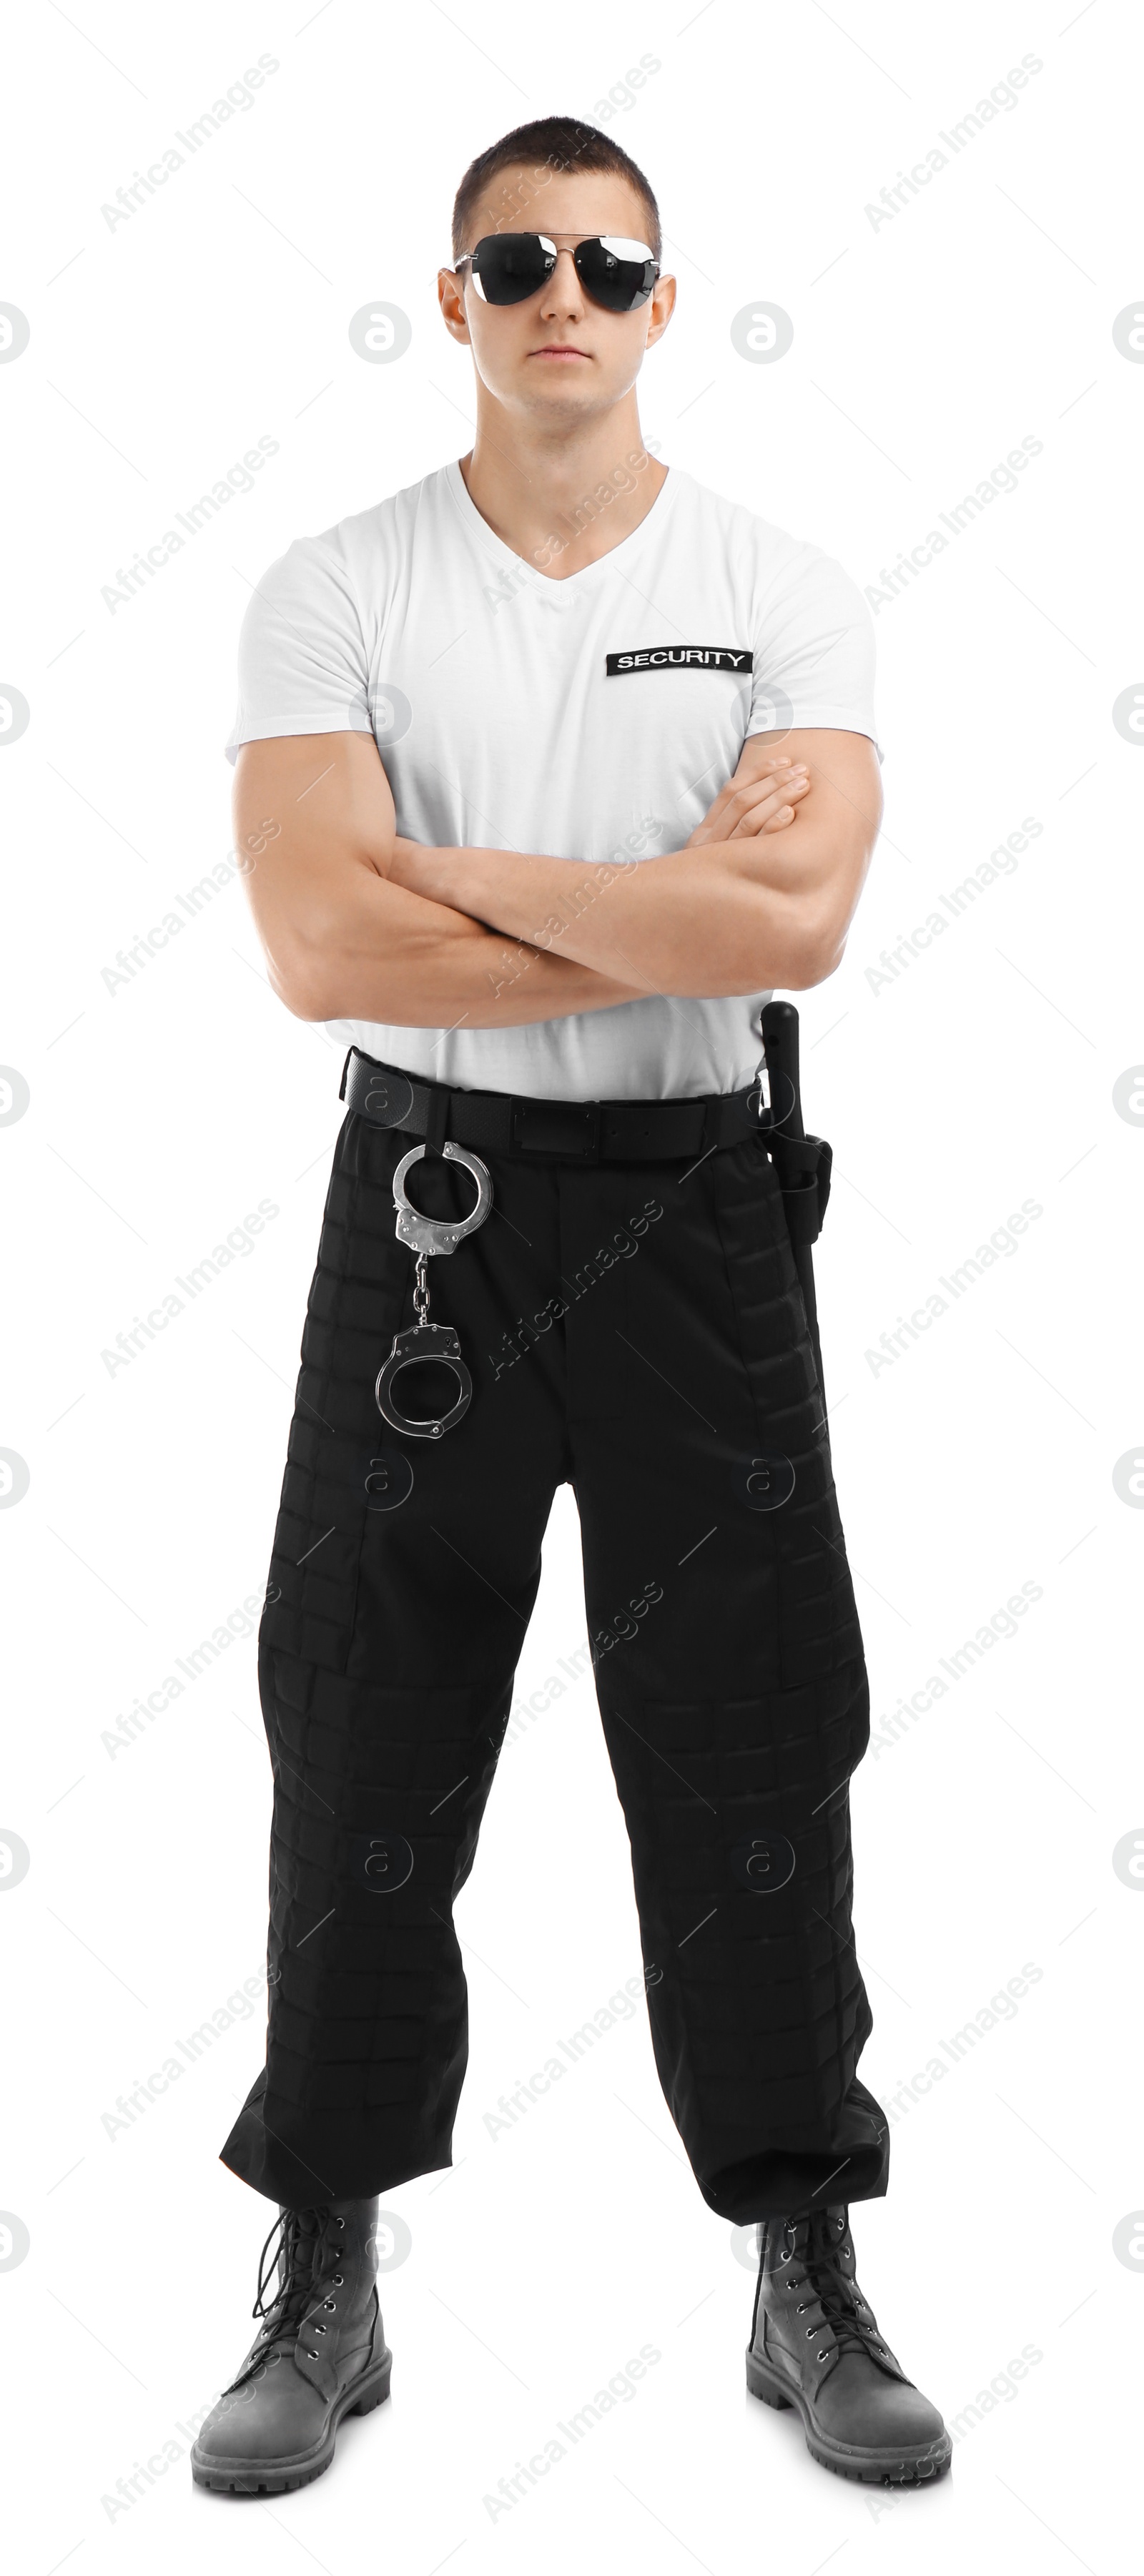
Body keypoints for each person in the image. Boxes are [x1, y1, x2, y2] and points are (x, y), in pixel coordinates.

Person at [191, 115, 951, 2498]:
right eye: (515, 257)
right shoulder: (336, 590)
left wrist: (467, 877)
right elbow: (325, 947)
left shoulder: (784, 582)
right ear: (454, 298)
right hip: (422, 1213)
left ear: (657, 294)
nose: (563, 291)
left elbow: (792, 930)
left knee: (753, 1733)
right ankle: (324, 2260)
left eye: (606, 261)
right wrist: (652, 891)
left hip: (702, 1215)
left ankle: (805, 2258)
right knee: (364, 1717)